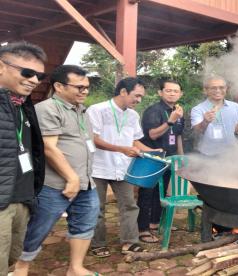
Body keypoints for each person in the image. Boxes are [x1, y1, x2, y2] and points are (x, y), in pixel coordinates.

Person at [14, 65, 100, 276]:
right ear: (59, 86)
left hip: (86, 181)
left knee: (85, 223)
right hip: (55, 184)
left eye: (87, 87)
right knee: (39, 227)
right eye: (79, 87)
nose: (85, 91)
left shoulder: (82, 110)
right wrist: (71, 178)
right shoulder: (47, 108)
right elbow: (49, 148)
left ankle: (76, 267)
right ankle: (20, 268)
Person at [87, 77, 159, 257]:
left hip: (123, 168)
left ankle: (130, 242)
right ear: (123, 92)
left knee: (129, 205)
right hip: (99, 167)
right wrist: (121, 149)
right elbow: (93, 139)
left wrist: (153, 151)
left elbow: (134, 141)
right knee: (97, 208)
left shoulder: (133, 115)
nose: (139, 100)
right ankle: (98, 243)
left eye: (141, 97)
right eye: (137, 95)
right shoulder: (97, 110)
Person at [0, 41, 47, 276]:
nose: (34, 80)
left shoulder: (24, 105)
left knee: (11, 258)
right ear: (1, 67)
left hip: (22, 199)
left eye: (39, 75)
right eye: (27, 72)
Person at [138, 79, 184, 242]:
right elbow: (152, 135)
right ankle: (142, 229)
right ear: (160, 93)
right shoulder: (153, 111)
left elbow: (177, 136)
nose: (172, 93)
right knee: (147, 193)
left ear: (180, 94)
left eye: (175, 91)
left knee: (161, 193)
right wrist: (170, 120)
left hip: (169, 158)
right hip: (152, 158)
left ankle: (155, 223)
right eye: (168, 90)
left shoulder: (179, 111)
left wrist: (181, 158)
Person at [191, 76, 238, 157]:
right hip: (208, 156)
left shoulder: (236, 107)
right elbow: (197, 132)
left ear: (226, 89)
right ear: (205, 90)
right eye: (213, 88)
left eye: (221, 87)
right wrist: (205, 121)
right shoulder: (198, 109)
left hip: (233, 154)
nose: (218, 91)